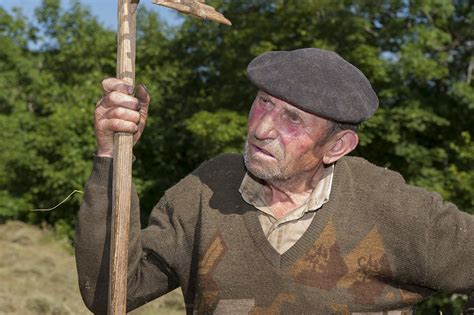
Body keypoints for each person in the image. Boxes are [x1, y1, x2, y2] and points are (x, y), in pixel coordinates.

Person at [75, 48, 474, 314]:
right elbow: (109, 292)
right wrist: (111, 154)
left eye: (293, 119)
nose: (262, 128)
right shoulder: (206, 189)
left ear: (338, 146)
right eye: (264, 102)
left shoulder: (389, 205)